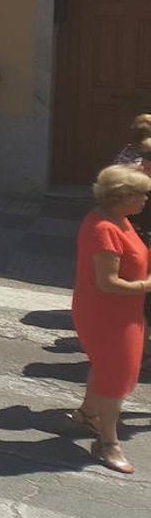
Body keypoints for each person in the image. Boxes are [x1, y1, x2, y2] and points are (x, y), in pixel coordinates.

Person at [65, 164, 151, 473]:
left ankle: (88, 414)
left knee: (108, 369)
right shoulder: (104, 228)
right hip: (107, 315)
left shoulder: (120, 219)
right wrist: (147, 285)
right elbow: (108, 282)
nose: (146, 199)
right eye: (141, 194)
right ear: (121, 196)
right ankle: (108, 442)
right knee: (115, 378)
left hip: (124, 312)